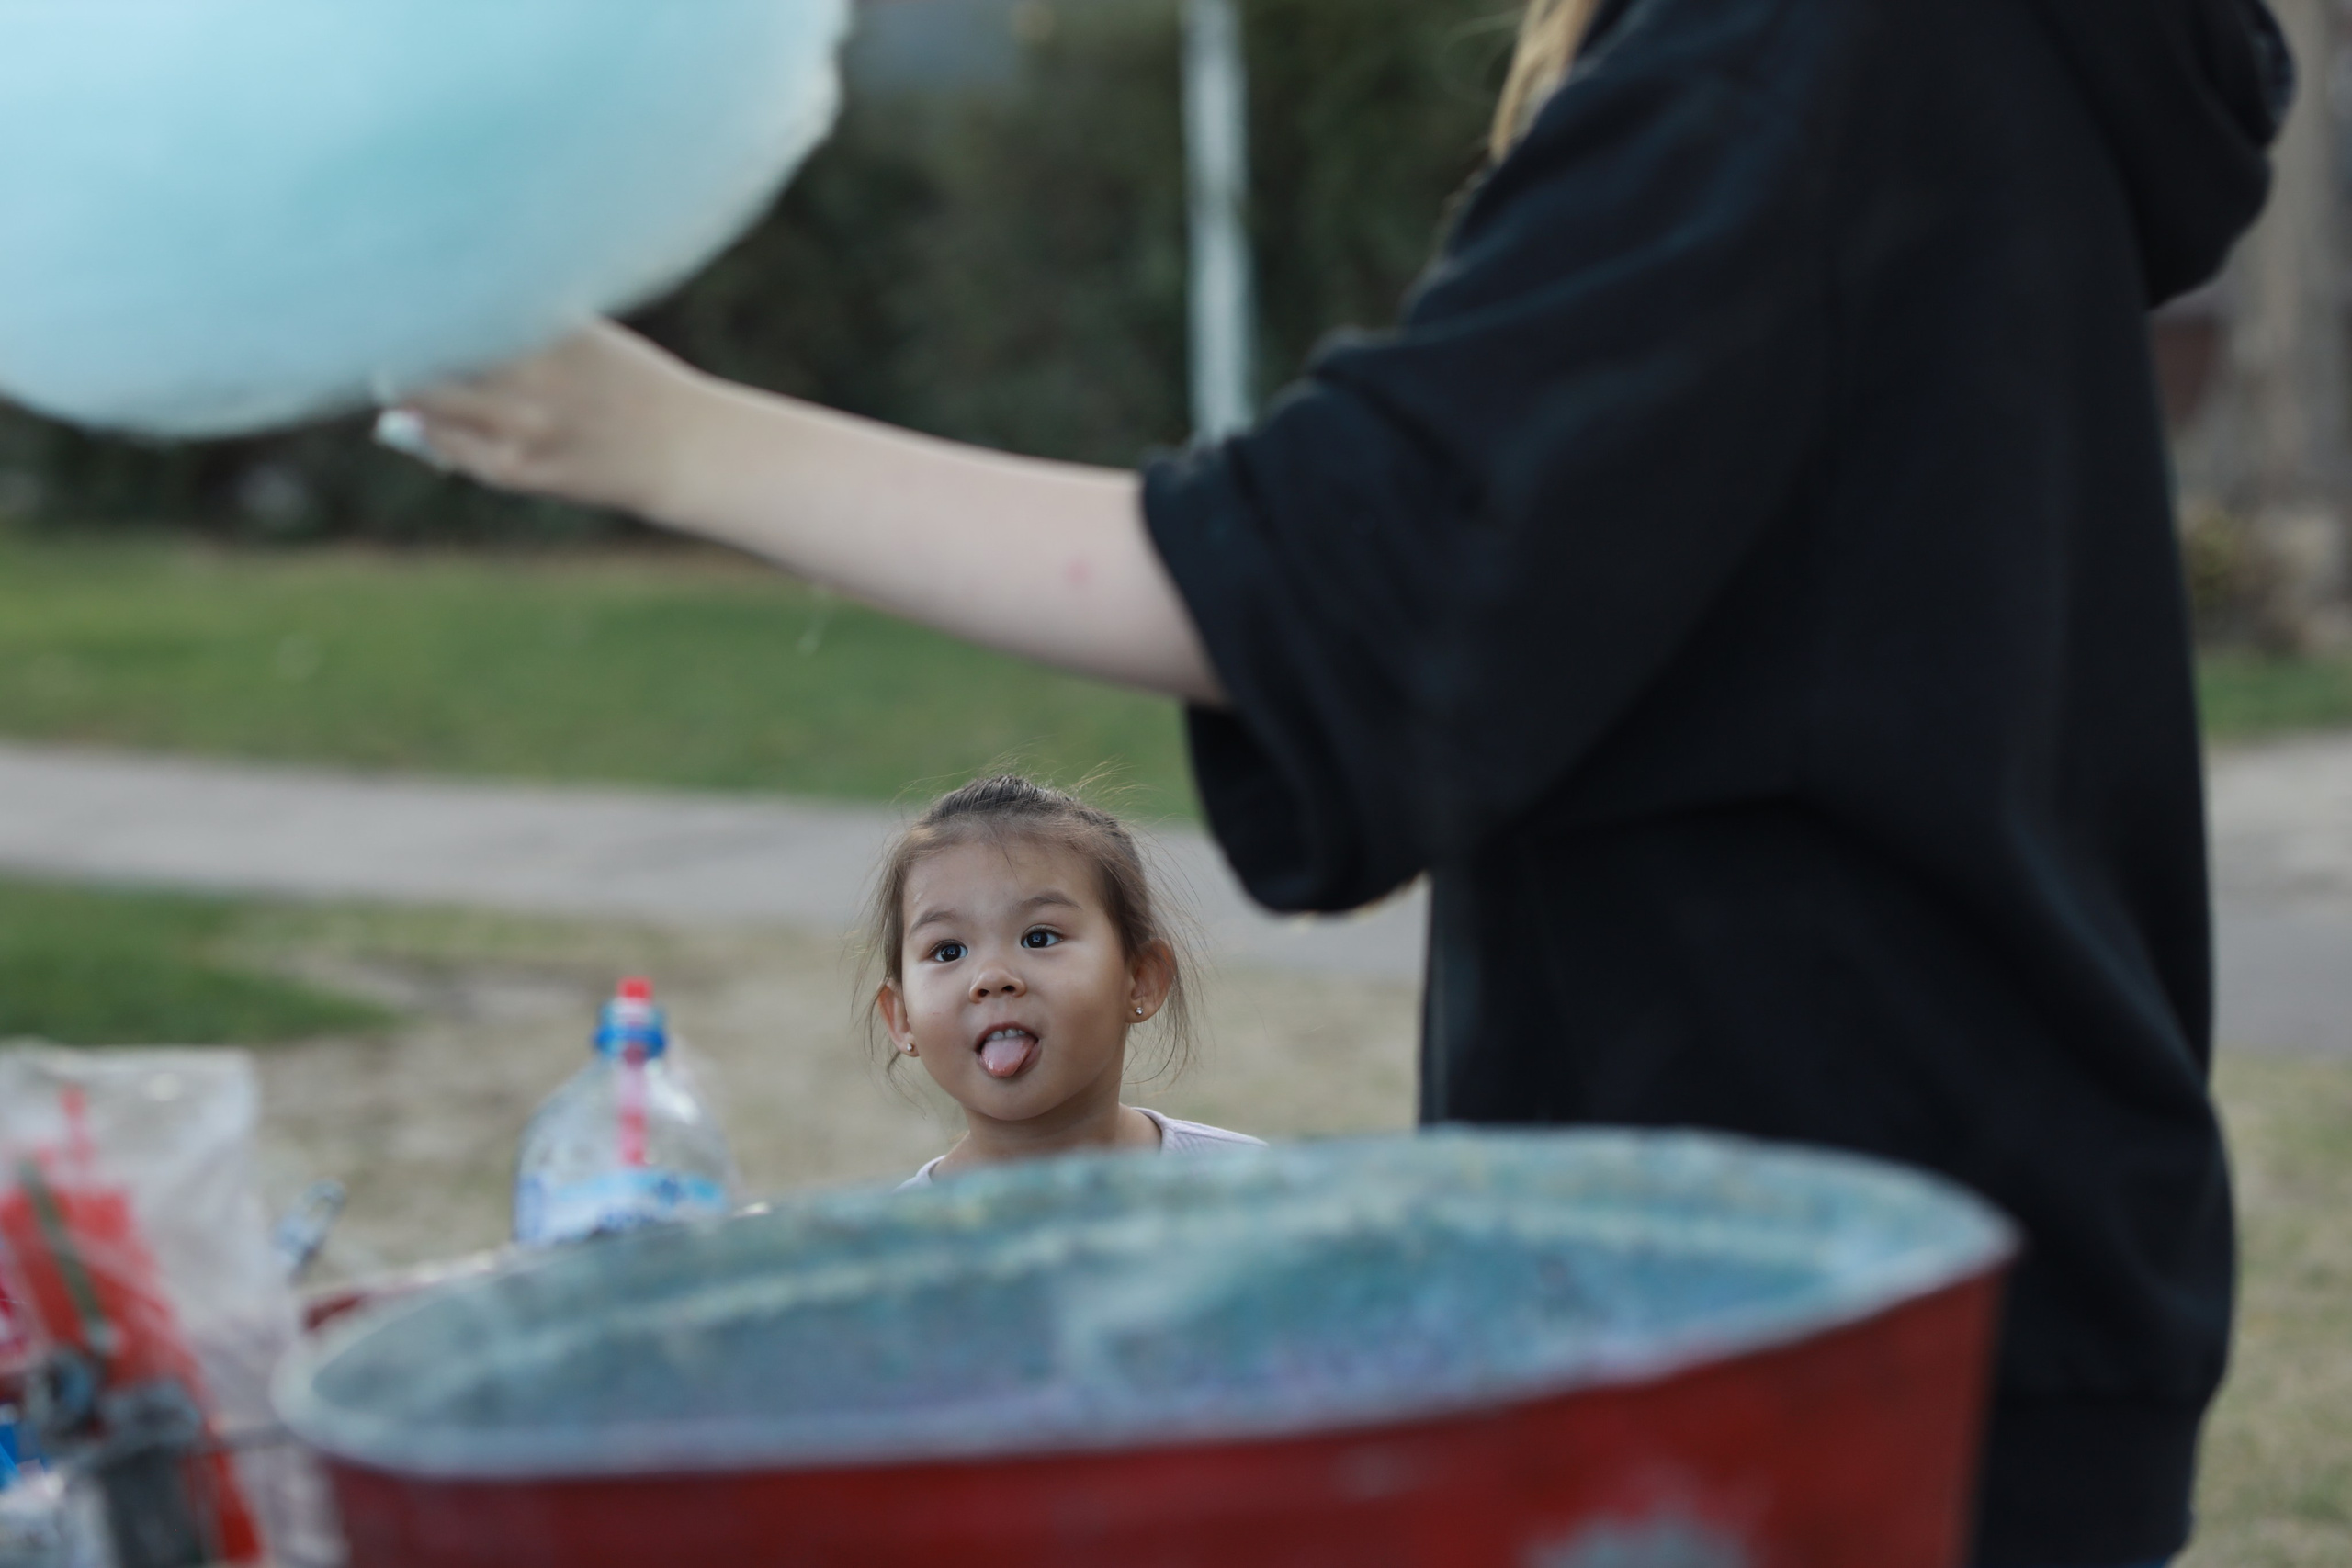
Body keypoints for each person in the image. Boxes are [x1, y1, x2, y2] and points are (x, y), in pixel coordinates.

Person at [384, 0, 2293, 1560]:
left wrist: (649, 432)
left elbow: (1330, 577)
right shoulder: (1945, 59)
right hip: (1920, 1263)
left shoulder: (1798, 57)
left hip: (1816, 1312)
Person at [867, 774, 1262, 1187]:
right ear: (902, 1018)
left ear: (1141, 979)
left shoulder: (1249, 1185)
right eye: (949, 951)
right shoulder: (886, 1243)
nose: (992, 977)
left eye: (1039, 938)